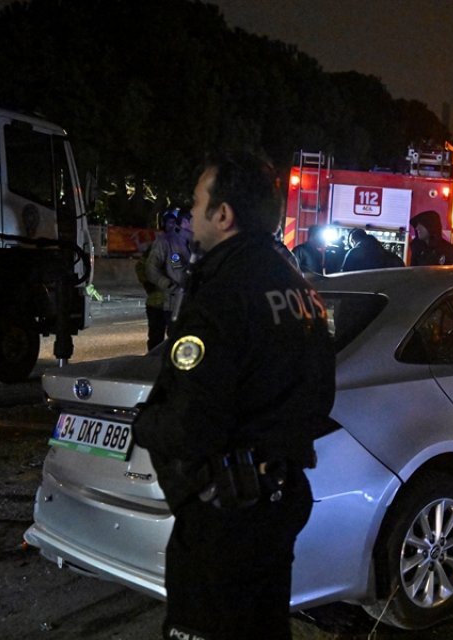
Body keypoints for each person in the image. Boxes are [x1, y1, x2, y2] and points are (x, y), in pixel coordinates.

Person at [132, 152, 336, 640]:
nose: (192, 211)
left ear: (223, 215)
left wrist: (143, 423)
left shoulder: (224, 293)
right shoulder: (297, 287)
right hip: (278, 500)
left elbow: (189, 426)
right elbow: (318, 397)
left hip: (225, 518)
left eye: (199, 201)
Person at [142, 208, 193, 351]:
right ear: (184, 222)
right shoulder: (167, 241)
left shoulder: (194, 242)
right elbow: (152, 269)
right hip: (170, 302)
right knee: (167, 343)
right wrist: (167, 284)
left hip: (187, 303)